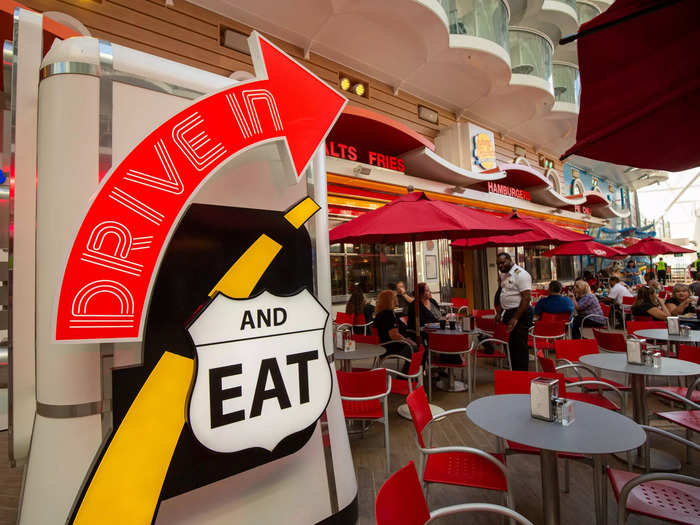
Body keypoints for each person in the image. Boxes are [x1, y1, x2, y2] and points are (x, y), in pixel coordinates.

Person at [495, 252, 532, 371]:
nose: (500, 266)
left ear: (510, 260)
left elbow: (526, 298)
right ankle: (514, 373)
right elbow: (502, 293)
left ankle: (521, 375)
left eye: (502, 262)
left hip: (521, 313)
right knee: (510, 345)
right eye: (498, 264)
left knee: (520, 346)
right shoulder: (504, 275)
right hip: (508, 312)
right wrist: (499, 313)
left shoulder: (521, 274)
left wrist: (515, 318)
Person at [373, 290, 415, 372]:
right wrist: (407, 340)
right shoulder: (388, 315)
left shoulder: (381, 313)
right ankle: (407, 375)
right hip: (391, 347)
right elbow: (394, 335)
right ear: (389, 300)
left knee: (416, 344)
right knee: (416, 348)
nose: (397, 299)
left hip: (384, 346)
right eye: (395, 298)